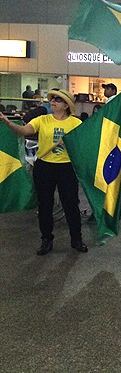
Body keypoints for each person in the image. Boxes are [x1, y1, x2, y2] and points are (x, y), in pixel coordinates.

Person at [0, 89, 87, 255]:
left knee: (70, 204)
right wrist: (8, 123)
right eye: (52, 99)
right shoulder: (42, 119)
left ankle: (76, 239)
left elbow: (82, 143)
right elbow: (25, 131)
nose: (53, 102)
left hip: (66, 167)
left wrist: (70, 142)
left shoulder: (75, 124)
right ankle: (46, 239)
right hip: (44, 166)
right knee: (44, 205)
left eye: (57, 100)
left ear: (66, 105)